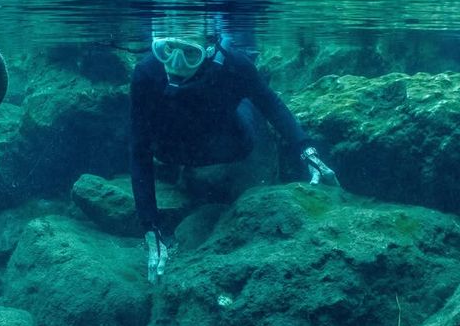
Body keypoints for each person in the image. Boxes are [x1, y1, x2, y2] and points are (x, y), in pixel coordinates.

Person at [130, 32, 338, 283]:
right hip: (173, 150)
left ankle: (255, 79)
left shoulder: (233, 65)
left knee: (252, 98)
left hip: (231, 142)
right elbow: (139, 150)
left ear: (208, 50)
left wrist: (307, 151)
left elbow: (270, 104)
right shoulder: (146, 71)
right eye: (167, 50)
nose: (175, 64)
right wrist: (151, 229)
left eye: (190, 53)